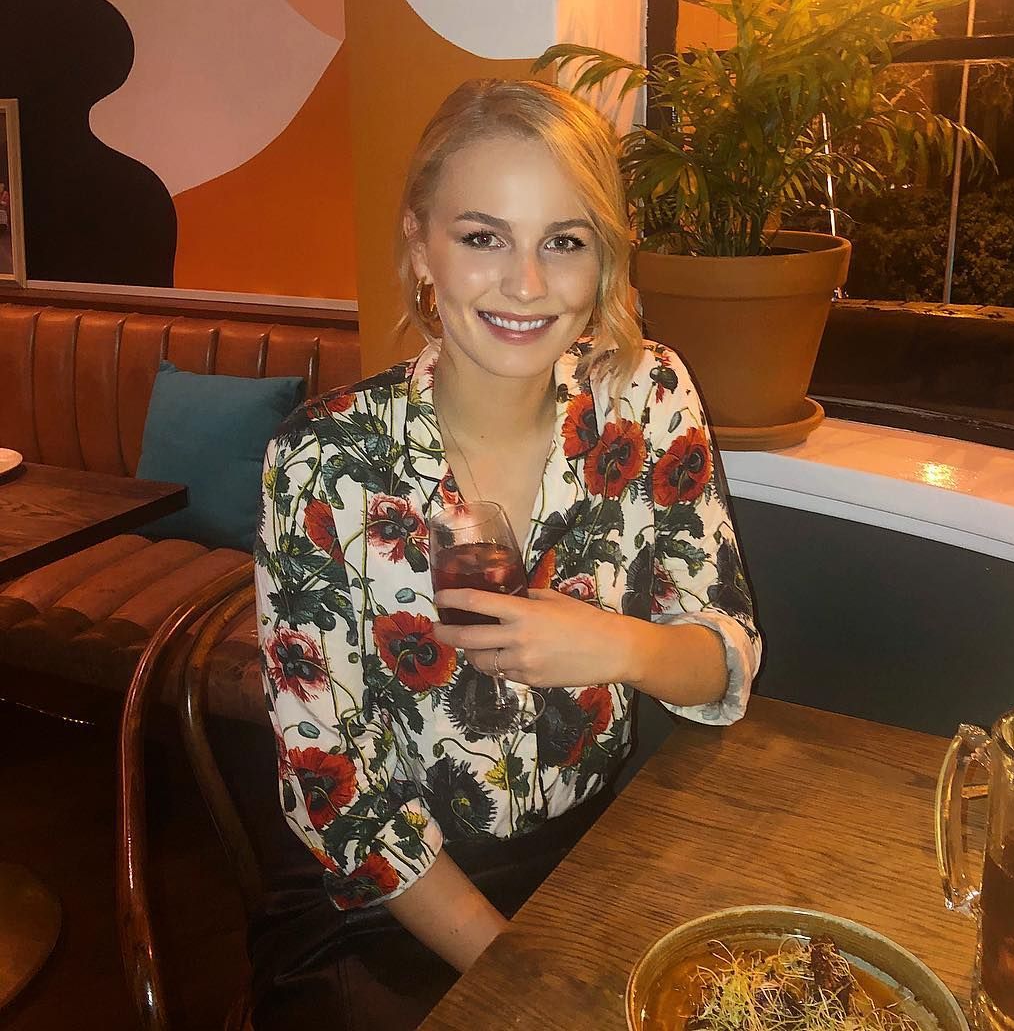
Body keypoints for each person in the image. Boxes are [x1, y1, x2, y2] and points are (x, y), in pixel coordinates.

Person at [252, 78, 761, 1029]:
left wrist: (612, 644)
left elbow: (724, 655)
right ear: (421, 246)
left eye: (564, 241)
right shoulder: (323, 459)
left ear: (603, 258)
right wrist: (525, 981)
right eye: (484, 237)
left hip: (590, 864)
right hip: (387, 902)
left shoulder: (648, 398)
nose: (526, 284)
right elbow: (336, 789)